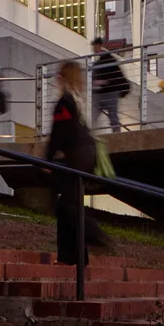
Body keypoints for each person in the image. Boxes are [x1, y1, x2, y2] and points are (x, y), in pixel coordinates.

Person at [45, 60, 107, 265]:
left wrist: (47, 158)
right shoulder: (77, 99)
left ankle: (89, 238)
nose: (55, 80)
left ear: (63, 78)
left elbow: (59, 133)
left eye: (58, 76)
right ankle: (76, 256)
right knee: (69, 205)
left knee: (66, 207)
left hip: (76, 157)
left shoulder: (65, 101)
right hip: (85, 155)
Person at [90, 38, 130, 133]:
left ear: (99, 46)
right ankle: (115, 135)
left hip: (108, 93)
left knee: (109, 116)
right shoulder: (105, 60)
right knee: (110, 117)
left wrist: (103, 82)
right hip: (104, 93)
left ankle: (93, 135)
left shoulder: (107, 60)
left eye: (95, 47)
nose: (94, 49)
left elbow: (114, 76)